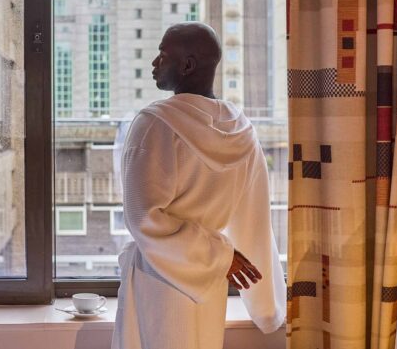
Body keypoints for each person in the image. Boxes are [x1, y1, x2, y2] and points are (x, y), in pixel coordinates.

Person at [111, 22, 286, 349]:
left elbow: (143, 218)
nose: (154, 63)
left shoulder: (153, 124)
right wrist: (266, 306)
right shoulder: (241, 131)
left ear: (187, 65)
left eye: (163, 55)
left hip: (158, 280)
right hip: (208, 286)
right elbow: (255, 222)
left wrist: (220, 256)